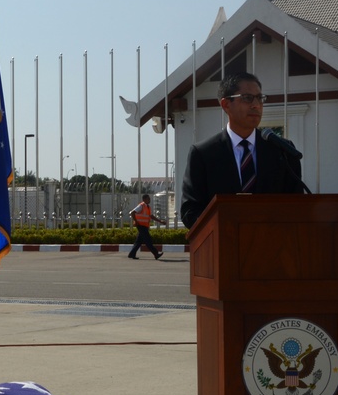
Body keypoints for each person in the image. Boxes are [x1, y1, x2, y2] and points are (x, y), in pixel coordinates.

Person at [180, 72, 304, 229]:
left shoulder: (282, 151)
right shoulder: (203, 154)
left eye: (260, 98)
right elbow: (190, 211)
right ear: (226, 105)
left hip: (274, 246)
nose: (256, 105)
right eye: (247, 98)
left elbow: (297, 206)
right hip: (225, 245)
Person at [128, 194, 166, 260]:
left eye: (149, 199)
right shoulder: (141, 206)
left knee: (139, 241)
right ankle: (156, 254)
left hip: (144, 226)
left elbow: (151, 216)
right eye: (148, 199)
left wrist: (160, 221)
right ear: (144, 199)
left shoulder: (148, 207)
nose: (149, 200)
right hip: (140, 225)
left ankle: (132, 254)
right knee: (148, 240)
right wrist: (136, 221)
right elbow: (132, 212)